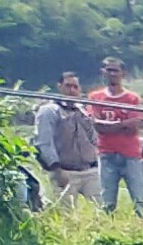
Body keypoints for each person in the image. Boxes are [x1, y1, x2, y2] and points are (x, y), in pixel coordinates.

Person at [87, 59, 143, 211]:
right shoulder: (95, 97)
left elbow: (135, 125)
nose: (112, 74)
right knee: (107, 201)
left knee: (139, 199)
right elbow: (97, 125)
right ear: (103, 72)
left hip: (130, 153)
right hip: (106, 153)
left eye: (115, 70)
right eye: (108, 70)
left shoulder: (132, 98)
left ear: (123, 73)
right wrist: (122, 124)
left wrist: (110, 125)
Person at [33, 76, 98, 210]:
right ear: (59, 87)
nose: (72, 90)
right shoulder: (49, 111)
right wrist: (57, 170)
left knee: (103, 209)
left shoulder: (83, 111)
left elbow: (94, 138)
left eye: (75, 87)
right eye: (68, 86)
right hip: (64, 171)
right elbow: (44, 142)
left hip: (90, 170)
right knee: (66, 214)